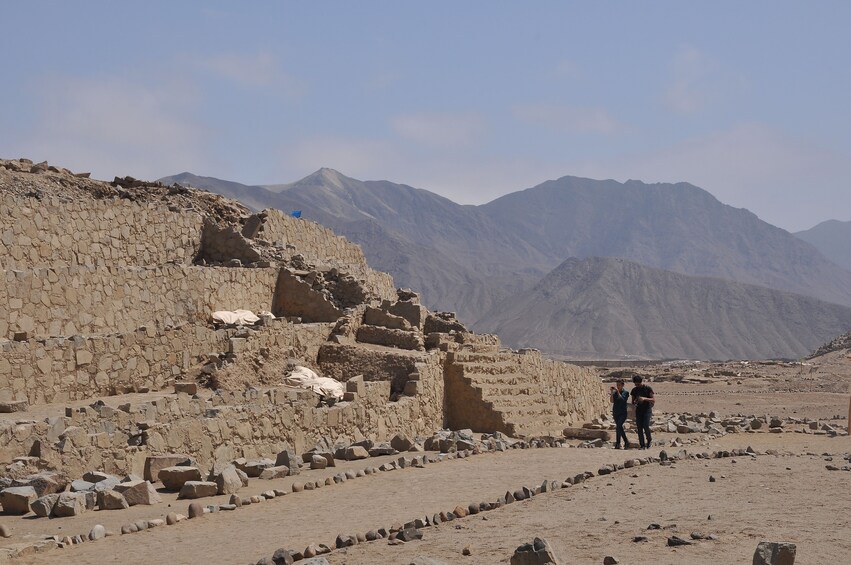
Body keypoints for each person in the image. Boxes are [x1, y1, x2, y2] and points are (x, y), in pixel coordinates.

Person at [630, 375, 655, 449]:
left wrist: (644, 399)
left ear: (641, 382)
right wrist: (636, 401)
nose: (636, 385)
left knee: (646, 425)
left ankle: (649, 441)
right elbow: (632, 402)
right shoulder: (634, 390)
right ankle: (642, 445)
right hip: (638, 410)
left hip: (647, 410)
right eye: (635, 384)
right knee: (639, 428)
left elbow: (653, 400)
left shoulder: (648, 389)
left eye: (638, 384)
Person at [610, 379, 631, 449]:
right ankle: (618, 443)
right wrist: (612, 393)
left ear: (622, 385)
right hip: (616, 412)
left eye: (619, 385)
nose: (618, 386)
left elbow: (622, 399)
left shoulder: (626, 392)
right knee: (618, 427)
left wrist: (617, 391)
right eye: (617, 385)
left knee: (619, 426)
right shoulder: (615, 393)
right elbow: (612, 401)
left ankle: (626, 441)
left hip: (623, 412)